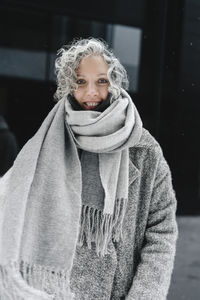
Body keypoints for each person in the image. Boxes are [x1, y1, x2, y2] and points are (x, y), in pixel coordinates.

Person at [0, 38, 178, 300]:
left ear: (114, 83)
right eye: (80, 82)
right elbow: (11, 200)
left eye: (101, 81)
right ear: (68, 87)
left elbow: (161, 232)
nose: (91, 92)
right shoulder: (49, 142)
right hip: (55, 292)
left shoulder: (144, 149)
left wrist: (145, 295)